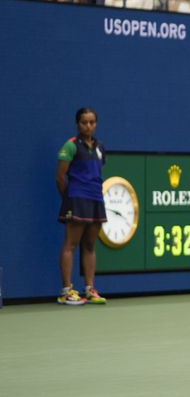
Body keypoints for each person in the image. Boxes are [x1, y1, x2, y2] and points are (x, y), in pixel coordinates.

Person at [56, 107, 108, 306]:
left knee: (90, 245)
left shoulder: (100, 147)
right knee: (71, 244)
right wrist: (68, 199)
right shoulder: (70, 146)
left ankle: (89, 289)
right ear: (78, 124)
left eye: (92, 122)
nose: (89, 126)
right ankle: (66, 291)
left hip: (96, 199)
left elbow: (96, 172)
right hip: (77, 199)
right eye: (84, 122)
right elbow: (60, 177)